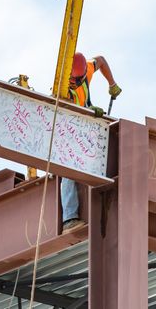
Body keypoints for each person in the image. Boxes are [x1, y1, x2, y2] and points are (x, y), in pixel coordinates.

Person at [61, 52, 121, 231]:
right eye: (73, 80)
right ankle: (69, 219)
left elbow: (101, 60)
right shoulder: (62, 87)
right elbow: (65, 112)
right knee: (68, 168)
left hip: (84, 130)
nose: (76, 83)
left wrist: (112, 83)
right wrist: (88, 110)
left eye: (78, 80)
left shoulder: (86, 69)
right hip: (66, 132)